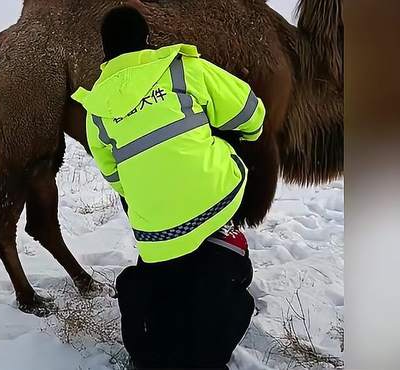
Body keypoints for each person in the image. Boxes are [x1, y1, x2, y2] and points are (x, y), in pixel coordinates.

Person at [71, 5, 265, 369]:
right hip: (218, 198)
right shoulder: (182, 68)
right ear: (147, 40)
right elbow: (251, 112)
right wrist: (244, 136)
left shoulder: (97, 108)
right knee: (227, 136)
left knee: (165, 276)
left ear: (105, 52)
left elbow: (114, 176)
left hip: (155, 232)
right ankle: (226, 237)